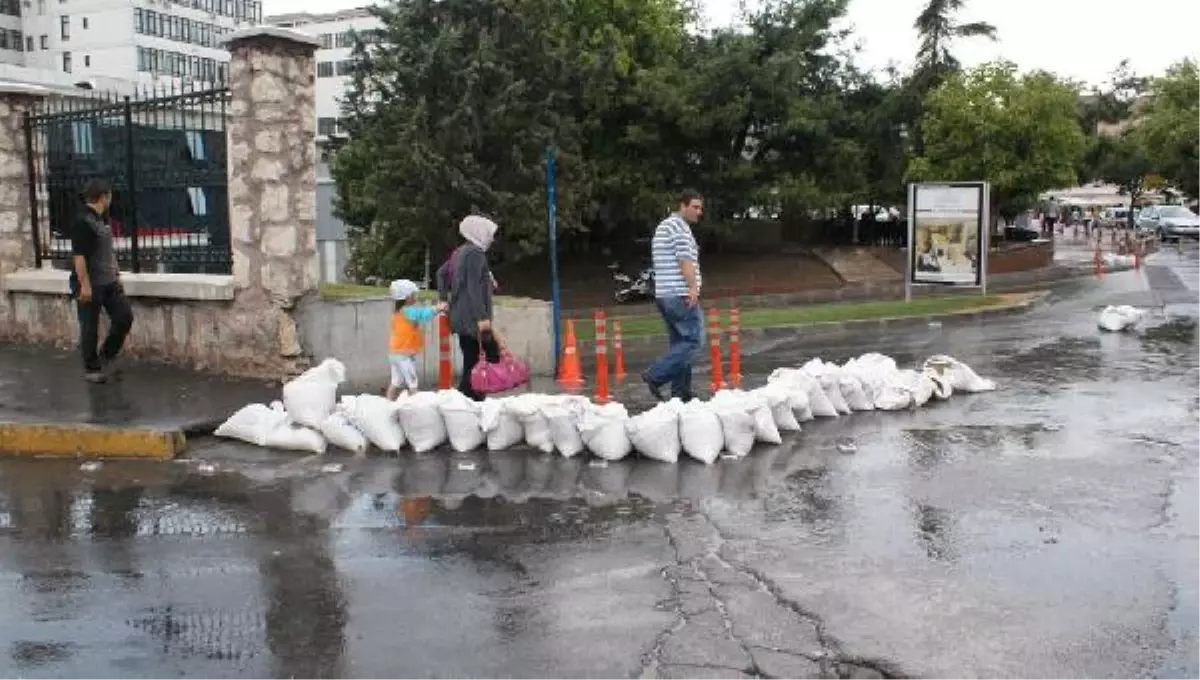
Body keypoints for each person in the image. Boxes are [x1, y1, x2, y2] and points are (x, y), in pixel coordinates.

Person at [642, 190, 704, 403]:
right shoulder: (678, 227)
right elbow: (684, 260)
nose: (699, 212)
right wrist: (693, 287)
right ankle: (655, 375)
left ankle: (681, 393)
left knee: (680, 343)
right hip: (680, 294)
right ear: (683, 206)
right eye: (695, 207)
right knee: (693, 340)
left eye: (700, 208)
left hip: (665, 294)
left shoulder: (665, 226)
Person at [70, 178, 133, 384]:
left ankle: (106, 355)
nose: (111, 200)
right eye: (109, 196)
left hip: (109, 282)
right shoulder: (84, 222)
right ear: (103, 196)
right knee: (89, 326)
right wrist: (85, 285)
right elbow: (79, 257)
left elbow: (106, 251)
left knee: (124, 317)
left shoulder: (100, 219)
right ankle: (92, 368)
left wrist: (115, 274)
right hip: (91, 284)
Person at [437, 215, 502, 401]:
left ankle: (469, 399)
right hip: (472, 318)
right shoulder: (475, 254)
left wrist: (444, 299)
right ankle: (468, 398)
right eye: (489, 234)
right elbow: (473, 287)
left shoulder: (459, 252)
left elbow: (440, 274)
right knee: (487, 357)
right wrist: (482, 317)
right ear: (479, 233)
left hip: (460, 315)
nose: (491, 238)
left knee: (472, 358)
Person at [386, 278, 446, 399]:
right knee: (413, 384)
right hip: (404, 356)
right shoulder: (408, 311)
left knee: (396, 382)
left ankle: (387, 405)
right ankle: (416, 409)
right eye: (414, 294)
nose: (416, 297)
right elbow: (423, 314)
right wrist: (438, 308)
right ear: (407, 297)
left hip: (395, 354)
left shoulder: (397, 313)